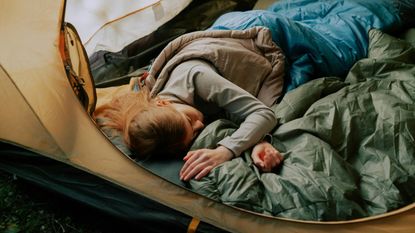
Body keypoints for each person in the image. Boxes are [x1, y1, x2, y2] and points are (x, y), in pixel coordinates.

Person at [95, 0, 415, 182]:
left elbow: (260, 112)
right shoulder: (156, 101)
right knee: (322, 6)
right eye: (193, 134)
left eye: (190, 122)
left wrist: (226, 150)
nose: (199, 127)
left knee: (350, 38)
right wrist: (256, 142)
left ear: (164, 102)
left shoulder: (195, 77)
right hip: (232, 27)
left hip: (266, 37)